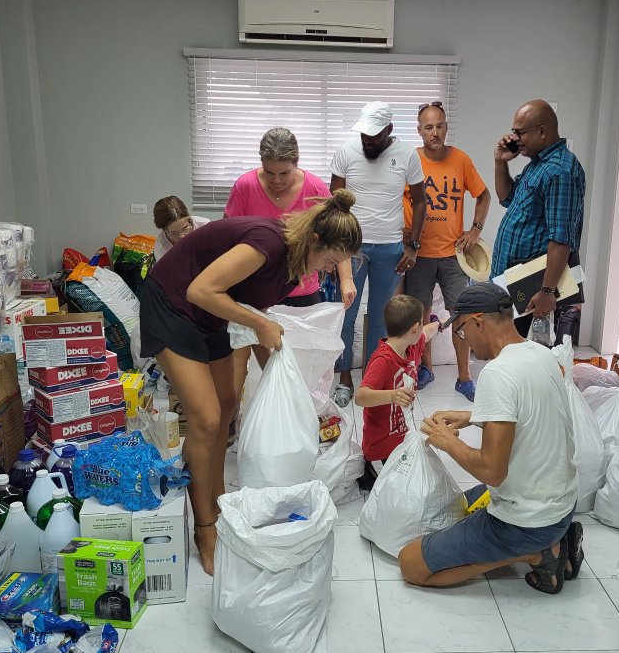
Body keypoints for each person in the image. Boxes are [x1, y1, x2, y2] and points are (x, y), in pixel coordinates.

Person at [139, 190, 362, 574]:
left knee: (227, 407)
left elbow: (250, 304)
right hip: (173, 304)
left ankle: (218, 498)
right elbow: (201, 290)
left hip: (210, 317)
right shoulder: (267, 241)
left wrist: (282, 367)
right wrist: (261, 325)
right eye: (331, 260)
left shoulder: (294, 264)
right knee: (207, 418)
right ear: (315, 241)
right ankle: (204, 527)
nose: (329, 271)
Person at [397, 282, 584, 594]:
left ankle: (538, 553)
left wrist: (448, 440)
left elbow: (493, 472)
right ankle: (553, 539)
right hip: (561, 504)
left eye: (461, 332)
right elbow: (528, 411)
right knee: (454, 508)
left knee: (411, 563)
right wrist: (472, 416)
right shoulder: (541, 354)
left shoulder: (496, 374)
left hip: (527, 522)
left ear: (477, 322)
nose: (464, 342)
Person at [224, 128, 358, 441]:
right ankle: (240, 423)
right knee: (247, 363)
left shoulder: (312, 186)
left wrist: (346, 278)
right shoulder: (245, 186)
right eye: (269, 172)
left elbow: (335, 235)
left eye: (284, 172)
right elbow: (230, 236)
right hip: (255, 292)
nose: (277, 181)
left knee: (302, 361)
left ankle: (301, 421)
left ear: (296, 163)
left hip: (301, 289)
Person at [330, 101, 427, 408]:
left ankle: (372, 380)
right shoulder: (346, 152)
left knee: (384, 319)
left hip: (390, 248)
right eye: (364, 135)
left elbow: (421, 202)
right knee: (346, 314)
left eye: (374, 135)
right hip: (351, 248)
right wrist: (334, 248)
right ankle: (345, 379)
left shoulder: (407, 155)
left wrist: (412, 245)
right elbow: (335, 203)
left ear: (389, 130)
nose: (368, 140)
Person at [402, 101, 490, 401]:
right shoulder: (409, 160)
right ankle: (426, 368)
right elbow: (395, 199)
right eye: (429, 127)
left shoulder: (461, 160)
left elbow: (483, 195)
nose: (435, 132)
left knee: (461, 315)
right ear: (419, 131)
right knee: (421, 315)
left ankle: (464, 377)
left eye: (440, 125)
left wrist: (475, 229)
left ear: (446, 127)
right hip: (419, 254)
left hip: (453, 255)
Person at [492, 100, 586, 344]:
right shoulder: (539, 165)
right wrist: (500, 162)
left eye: (520, 132)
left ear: (542, 131)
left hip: (533, 287)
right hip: (513, 279)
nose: (514, 138)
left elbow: (561, 238)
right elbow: (506, 198)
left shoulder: (560, 171)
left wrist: (547, 292)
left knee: (526, 357)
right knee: (509, 351)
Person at [354, 295, 442, 490]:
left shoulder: (412, 346)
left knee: (424, 481)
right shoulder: (383, 360)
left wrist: (438, 324)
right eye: (422, 321)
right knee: (399, 492)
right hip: (380, 449)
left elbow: (427, 332)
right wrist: (392, 395)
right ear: (413, 328)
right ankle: (369, 471)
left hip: (402, 441)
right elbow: (360, 397)